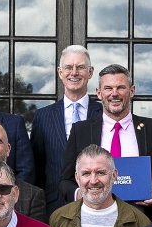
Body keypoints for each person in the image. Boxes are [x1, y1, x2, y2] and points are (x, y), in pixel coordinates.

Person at [60, 64, 152, 220]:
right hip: (93, 218)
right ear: (99, 93)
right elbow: (65, 181)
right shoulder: (81, 131)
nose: (114, 94)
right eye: (108, 88)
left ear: (132, 91)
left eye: (121, 88)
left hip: (143, 220)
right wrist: (80, 193)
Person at [31, 45, 102, 217]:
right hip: (53, 207)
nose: (74, 73)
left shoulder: (104, 114)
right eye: (69, 67)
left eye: (80, 67)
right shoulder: (43, 116)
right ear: (60, 72)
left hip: (99, 203)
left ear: (90, 72)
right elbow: (37, 167)